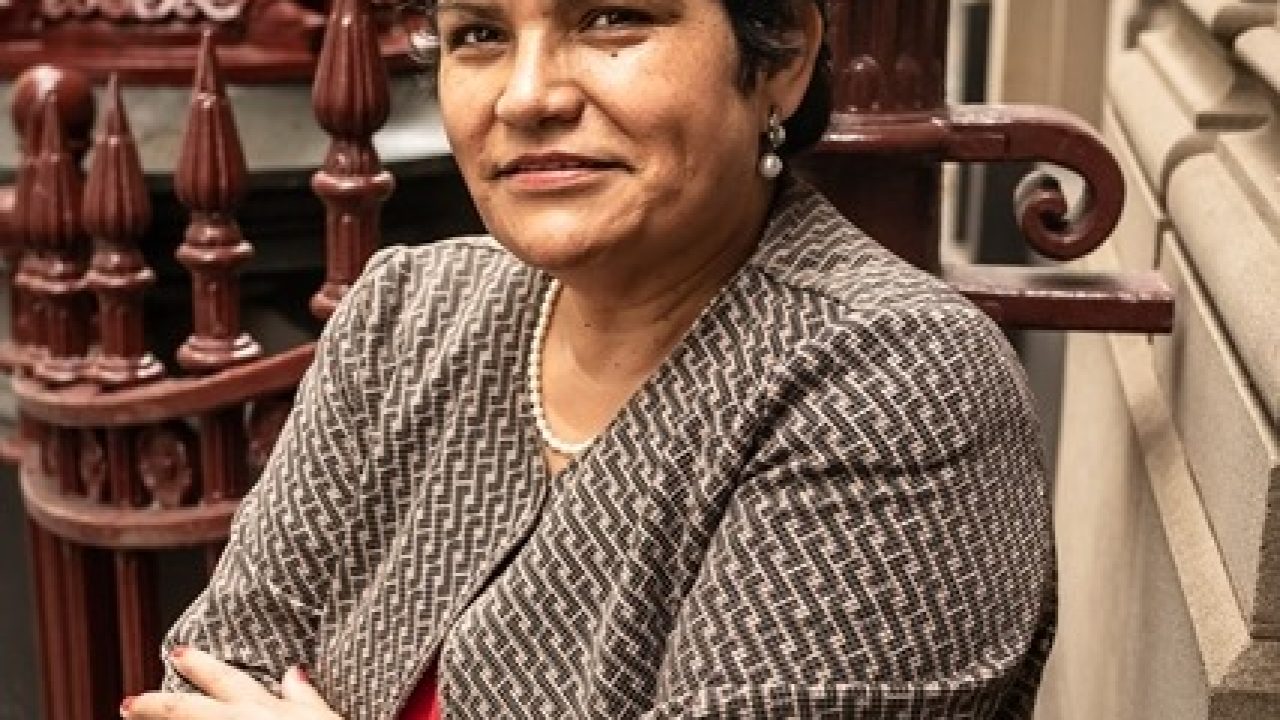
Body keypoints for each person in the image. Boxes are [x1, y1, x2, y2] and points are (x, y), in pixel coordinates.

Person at [122, 0, 1055, 717]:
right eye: (480, 34)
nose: (527, 96)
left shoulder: (890, 380)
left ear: (782, 59)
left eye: (612, 18)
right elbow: (204, 680)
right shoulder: (407, 316)